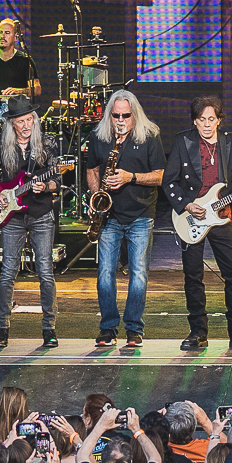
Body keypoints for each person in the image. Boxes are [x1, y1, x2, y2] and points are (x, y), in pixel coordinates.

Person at [162, 96, 232, 352]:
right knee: (193, 277)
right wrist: (187, 205)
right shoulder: (183, 141)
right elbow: (169, 181)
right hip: (192, 217)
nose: (207, 125)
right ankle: (197, 333)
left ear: (220, 120)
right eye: (201, 120)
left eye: (212, 119)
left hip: (222, 217)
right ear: (194, 121)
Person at [84, 91, 166, 349]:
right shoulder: (99, 136)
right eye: (115, 115)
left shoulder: (150, 135)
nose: (120, 120)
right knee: (105, 273)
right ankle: (108, 328)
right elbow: (91, 168)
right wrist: (97, 195)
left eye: (125, 116)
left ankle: (134, 329)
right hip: (109, 215)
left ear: (135, 115)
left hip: (141, 213)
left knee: (139, 273)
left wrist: (130, 177)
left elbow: (161, 175)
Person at [0, 97, 61, 350]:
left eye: (29, 120)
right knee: (8, 272)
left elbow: (57, 179)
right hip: (12, 214)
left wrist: (45, 185)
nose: (26, 125)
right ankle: (2, 328)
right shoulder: (0, 144)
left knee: (45, 272)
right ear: (12, 124)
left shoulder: (47, 143)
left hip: (40, 213)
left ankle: (49, 328)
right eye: (20, 121)